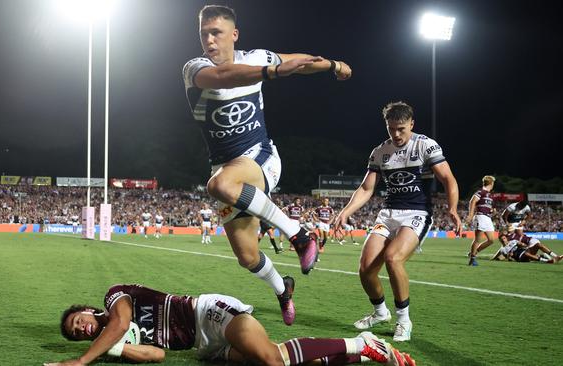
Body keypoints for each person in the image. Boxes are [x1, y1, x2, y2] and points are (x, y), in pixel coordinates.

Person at [182, 5, 352, 325]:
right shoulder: (195, 68)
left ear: (234, 34)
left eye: (216, 32)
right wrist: (272, 73)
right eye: (204, 33)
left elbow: (297, 62)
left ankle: (300, 236)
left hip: (260, 157)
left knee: (219, 184)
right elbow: (222, 77)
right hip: (224, 166)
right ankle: (283, 289)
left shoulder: (256, 57)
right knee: (246, 256)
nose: (209, 40)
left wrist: (334, 64)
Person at [333, 101, 462, 342]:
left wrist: (453, 208)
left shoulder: (425, 145)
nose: (396, 134)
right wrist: (345, 212)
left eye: (401, 128)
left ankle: (404, 321)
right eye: (391, 128)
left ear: (411, 124)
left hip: (416, 213)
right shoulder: (379, 151)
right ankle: (381, 313)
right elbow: (366, 188)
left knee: (393, 258)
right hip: (388, 214)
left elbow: (448, 179)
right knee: (366, 269)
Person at [45, 283, 415, 366]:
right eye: (75, 333)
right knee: (278, 359)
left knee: (272, 360)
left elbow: (121, 322)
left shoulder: (115, 298)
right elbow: (156, 355)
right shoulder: (109, 341)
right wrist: (116, 349)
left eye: (77, 321)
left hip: (208, 312)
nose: (79, 329)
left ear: (90, 311)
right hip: (204, 347)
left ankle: (359, 342)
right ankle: (359, 358)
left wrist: (80, 362)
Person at [466, 176, 496, 266]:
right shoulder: (480, 192)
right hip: (480, 217)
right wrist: (470, 215)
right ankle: (472, 259)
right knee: (478, 239)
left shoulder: (490, 195)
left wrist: (493, 211)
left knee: (491, 240)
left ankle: (473, 253)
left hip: (487, 218)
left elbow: (492, 208)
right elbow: (472, 201)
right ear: (491, 183)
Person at [492, 232, 562, 263]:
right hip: (520, 257)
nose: (503, 240)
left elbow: (523, 245)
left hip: (525, 250)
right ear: (500, 241)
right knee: (526, 254)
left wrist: (522, 245)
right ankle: (548, 261)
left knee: (538, 245)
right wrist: (510, 257)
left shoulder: (513, 241)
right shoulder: (502, 249)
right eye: (502, 239)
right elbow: (507, 258)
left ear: (506, 238)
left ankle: (556, 256)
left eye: (504, 238)